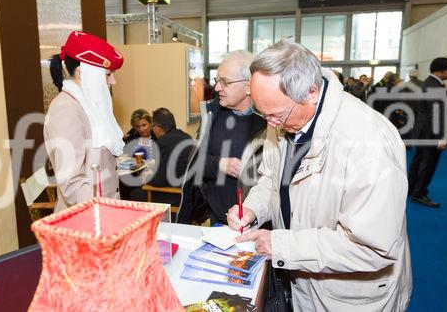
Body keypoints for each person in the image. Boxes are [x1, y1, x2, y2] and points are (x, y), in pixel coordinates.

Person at [228, 40, 411, 311]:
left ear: (311, 92)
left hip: (349, 296)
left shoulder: (368, 142)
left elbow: (374, 248)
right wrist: (253, 209)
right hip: (305, 278)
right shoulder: (282, 114)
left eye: (276, 115)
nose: (270, 124)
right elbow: (271, 178)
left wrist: (282, 245)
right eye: (262, 113)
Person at [177, 50, 267, 224]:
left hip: (259, 224)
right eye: (217, 80)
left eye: (225, 82)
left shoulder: (270, 121)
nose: (217, 88)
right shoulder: (212, 115)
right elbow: (194, 163)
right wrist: (219, 164)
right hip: (217, 220)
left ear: (249, 86)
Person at [45, 31, 125, 212]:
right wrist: (106, 213)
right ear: (82, 72)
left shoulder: (89, 108)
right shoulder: (66, 110)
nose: (113, 81)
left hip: (103, 215)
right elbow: (72, 183)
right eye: (108, 74)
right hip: (85, 222)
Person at [408, 57, 447, 208]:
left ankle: (411, 188)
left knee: (419, 162)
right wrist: (441, 136)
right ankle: (419, 193)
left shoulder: (431, 83)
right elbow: (437, 113)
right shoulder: (434, 86)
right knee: (427, 164)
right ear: (441, 71)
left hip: (423, 131)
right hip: (430, 132)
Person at [129, 108, 194, 205]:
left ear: (157, 127)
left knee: (136, 194)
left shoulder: (163, 142)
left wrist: (145, 179)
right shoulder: (186, 136)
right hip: (192, 193)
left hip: (176, 194)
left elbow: (160, 180)